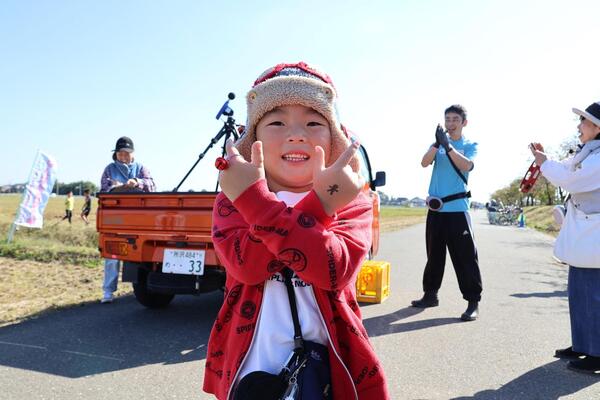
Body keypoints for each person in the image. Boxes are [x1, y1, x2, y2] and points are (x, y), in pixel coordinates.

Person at [203, 62, 389, 399]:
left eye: (314, 122)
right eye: (276, 121)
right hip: (250, 368)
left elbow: (333, 269)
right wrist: (319, 204)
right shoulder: (232, 201)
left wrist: (318, 200)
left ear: (335, 138)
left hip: (330, 369)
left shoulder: (352, 201)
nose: (296, 133)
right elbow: (247, 266)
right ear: (253, 137)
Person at [530, 101, 600, 374]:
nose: (579, 126)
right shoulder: (588, 152)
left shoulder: (597, 157)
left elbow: (569, 180)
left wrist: (544, 162)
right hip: (585, 233)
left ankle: (597, 353)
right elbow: (567, 171)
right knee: (579, 293)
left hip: (593, 235)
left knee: (593, 295)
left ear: (597, 127)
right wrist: (545, 160)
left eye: (584, 121)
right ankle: (583, 344)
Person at [411, 105, 482, 321]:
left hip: (457, 210)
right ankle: (430, 295)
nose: (450, 124)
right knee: (434, 255)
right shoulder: (438, 144)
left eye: (455, 120)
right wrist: (436, 143)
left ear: (464, 123)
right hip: (436, 210)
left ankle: (472, 302)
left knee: (465, 257)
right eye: (447, 120)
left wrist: (449, 146)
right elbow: (424, 162)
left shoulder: (469, 145)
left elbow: (467, 166)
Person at [100, 136, 155, 303]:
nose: (123, 156)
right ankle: (108, 291)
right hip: (116, 217)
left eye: (126, 153)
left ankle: (142, 288)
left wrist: (136, 182)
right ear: (115, 154)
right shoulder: (109, 169)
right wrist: (115, 187)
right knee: (112, 257)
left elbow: (152, 185)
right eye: (120, 153)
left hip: (139, 218)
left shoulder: (141, 168)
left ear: (132, 154)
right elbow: (103, 188)